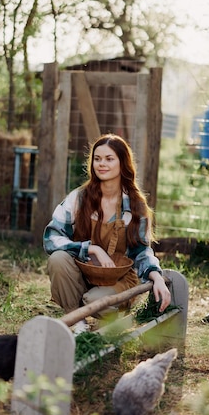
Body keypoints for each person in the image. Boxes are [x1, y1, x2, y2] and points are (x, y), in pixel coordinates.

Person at [43, 134, 171, 333]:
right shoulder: (79, 199)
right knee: (58, 259)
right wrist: (91, 248)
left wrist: (158, 277)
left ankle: (110, 319)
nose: (101, 164)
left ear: (123, 163)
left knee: (94, 300)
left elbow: (141, 251)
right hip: (83, 272)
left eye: (109, 159)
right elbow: (51, 237)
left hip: (118, 280)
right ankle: (76, 320)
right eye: (97, 158)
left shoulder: (135, 205)